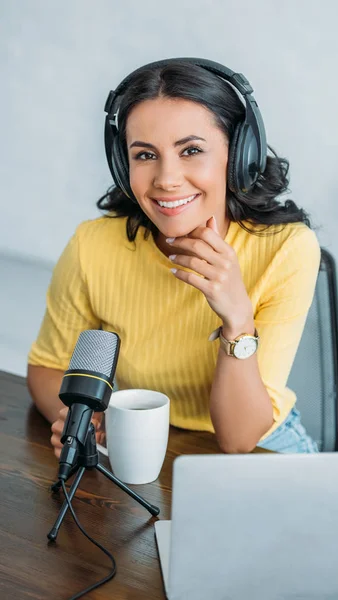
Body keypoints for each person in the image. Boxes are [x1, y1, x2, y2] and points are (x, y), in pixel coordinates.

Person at [27, 58, 320, 457]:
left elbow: (238, 440)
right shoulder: (92, 246)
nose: (166, 179)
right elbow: (48, 367)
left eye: (192, 150)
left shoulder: (286, 249)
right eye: (145, 155)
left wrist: (237, 317)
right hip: (136, 434)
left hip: (262, 445)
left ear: (238, 156)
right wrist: (83, 420)